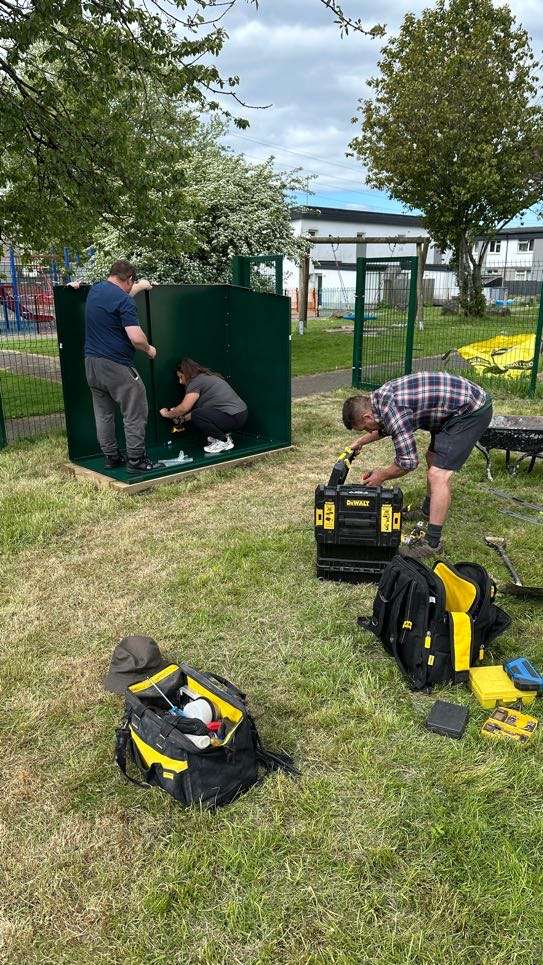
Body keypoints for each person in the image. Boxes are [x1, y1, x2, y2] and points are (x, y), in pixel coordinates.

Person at [342, 372, 493, 559]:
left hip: (470, 411)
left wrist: (382, 475)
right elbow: (385, 427)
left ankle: (432, 544)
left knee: (438, 474)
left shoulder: (393, 409)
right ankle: (427, 511)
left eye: (365, 428)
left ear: (367, 417)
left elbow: (408, 462)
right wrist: (360, 442)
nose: (368, 431)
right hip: (450, 409)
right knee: (433, 457)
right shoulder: (378, 400)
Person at [79, 259, 163, 473]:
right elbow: (135, 337)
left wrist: (141, 286)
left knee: (103, 413)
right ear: (129, 278)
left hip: (91, 364)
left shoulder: (96, 290)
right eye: (133, 283)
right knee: (135, 409)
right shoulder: (125, 301)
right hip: (115, 364)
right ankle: (136, 460)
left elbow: (119, 296)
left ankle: (112, 457)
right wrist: (149, 349)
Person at [160, 358, 248, 454]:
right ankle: (223, 437)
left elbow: (184, 408)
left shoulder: (195, 382)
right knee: (198, 414)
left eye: (181, 377)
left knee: (197, 415)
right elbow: (203, 412)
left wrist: (168, 414)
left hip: (233, 416)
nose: (180, 381)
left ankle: (223, 441)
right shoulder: (205, 377)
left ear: (187, 373)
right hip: (239, 415)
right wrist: (183, 419)